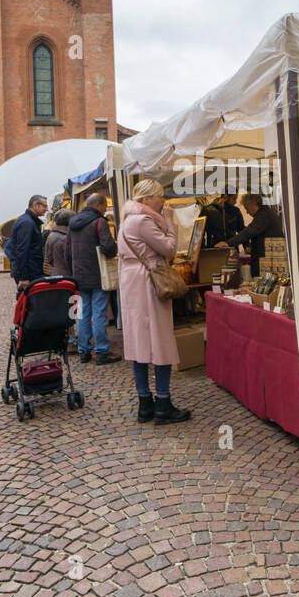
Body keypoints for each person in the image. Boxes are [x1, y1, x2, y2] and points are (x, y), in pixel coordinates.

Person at [118, 180, 190, 424]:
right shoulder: (144, 221)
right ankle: (163, 403)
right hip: (148, 282)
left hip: (133, 283)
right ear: (147, 199)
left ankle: (144, 404)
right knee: (160, 341)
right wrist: (169, 222)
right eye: (159, 196)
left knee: (139, 344)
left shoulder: (128, 220)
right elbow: (170, 248)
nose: (163, 201)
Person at [69, 193, 120, 365]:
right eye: (105, 206)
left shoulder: (73, 223)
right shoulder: (100, 222)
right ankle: (102, 352)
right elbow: (108, 247)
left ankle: (83, 351)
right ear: (98, 205)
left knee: (83, 314)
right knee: (99, 314)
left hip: (78, 276)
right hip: (98, 275)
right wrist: (114, 248)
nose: (105, 209)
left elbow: (66, 251)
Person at [216, 193, 284, 274]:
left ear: (253, 205)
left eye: (247, 208)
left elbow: (249, 231)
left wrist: (228, 243)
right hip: (270, 259)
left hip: (268, 262)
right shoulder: (266, 213)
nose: (247, 212)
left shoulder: (263, 216)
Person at [8, 194, 48, 288]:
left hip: (31, 270)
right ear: (35, 205)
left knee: (30, 300)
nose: (47, 209)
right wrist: (24, 277)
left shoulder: (29, 221)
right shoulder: (27, 223)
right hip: (30, 272)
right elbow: (22, 250)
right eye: (44, 206)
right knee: (30, 300)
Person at [45, 210, 72, 278]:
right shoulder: (67, 237)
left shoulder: (52, 235)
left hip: (55, 273)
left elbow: (49, 257)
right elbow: (69, 259)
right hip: (67, 276)